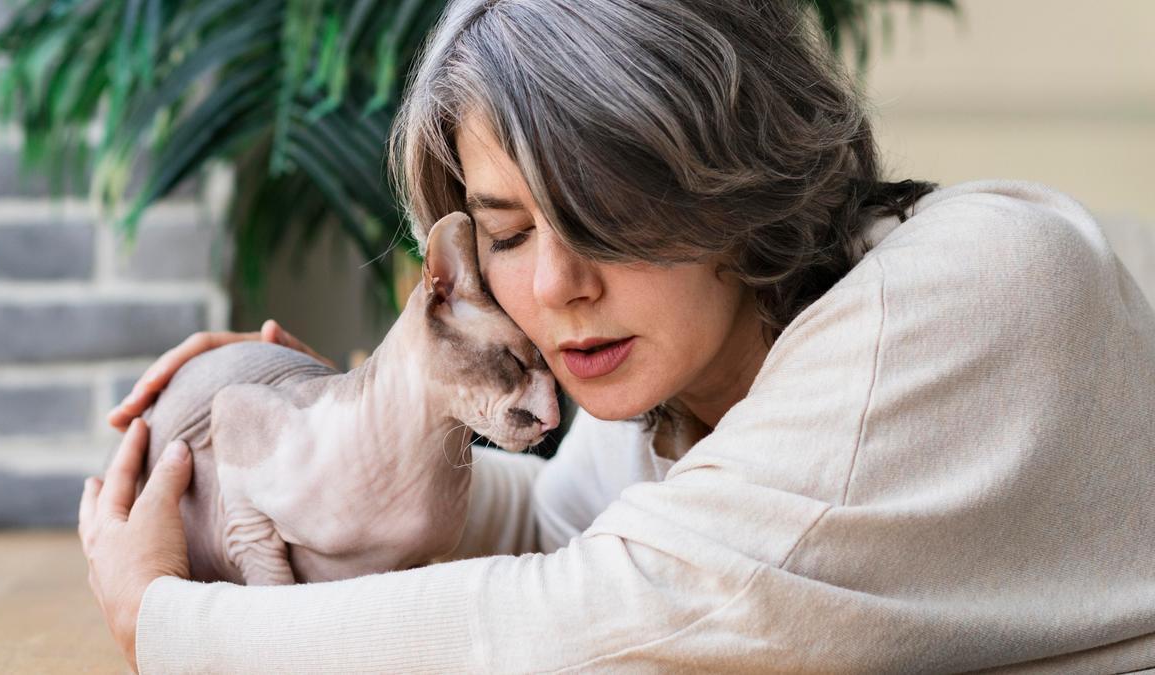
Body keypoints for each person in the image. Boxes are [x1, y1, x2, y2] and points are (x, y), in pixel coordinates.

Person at [78, 0, 1155, 672]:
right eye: (504, 231)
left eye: (603, 218)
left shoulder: (964, 292)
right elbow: (550, 527)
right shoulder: (686, 378)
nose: (554, 285)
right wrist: (358, 416)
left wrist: (168, 624)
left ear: (734, 169)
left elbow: (593, 620)